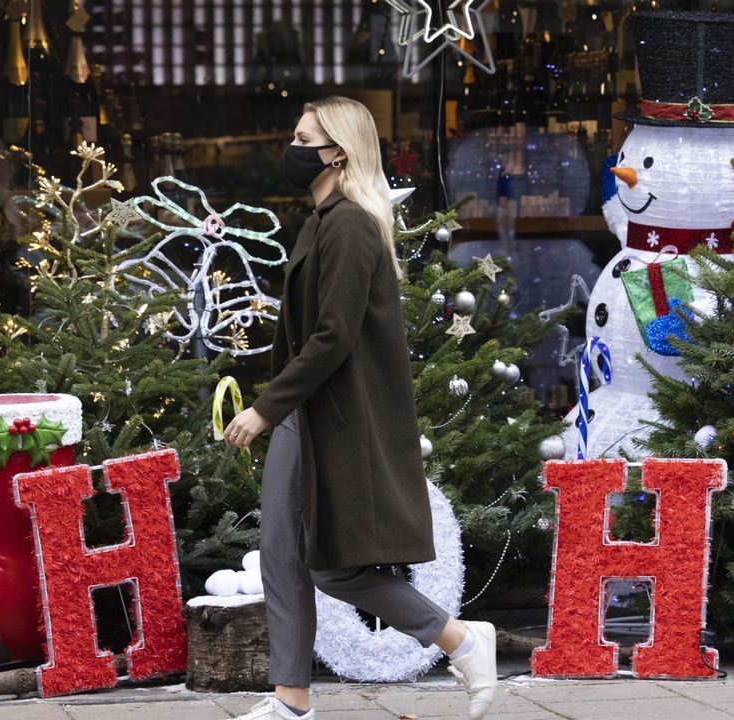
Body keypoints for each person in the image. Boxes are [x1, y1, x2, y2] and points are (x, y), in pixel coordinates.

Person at [223, 96, 498, 720]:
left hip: (333, 415)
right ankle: (292, 699)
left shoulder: (348, 224)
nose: (290, 148)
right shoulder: (322, 220)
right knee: (282, 554)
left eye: (302, 137)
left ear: (337, 151)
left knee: (332, 566)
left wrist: (265, 408)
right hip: (310, 411)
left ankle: (457, 637)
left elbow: (334, 335)